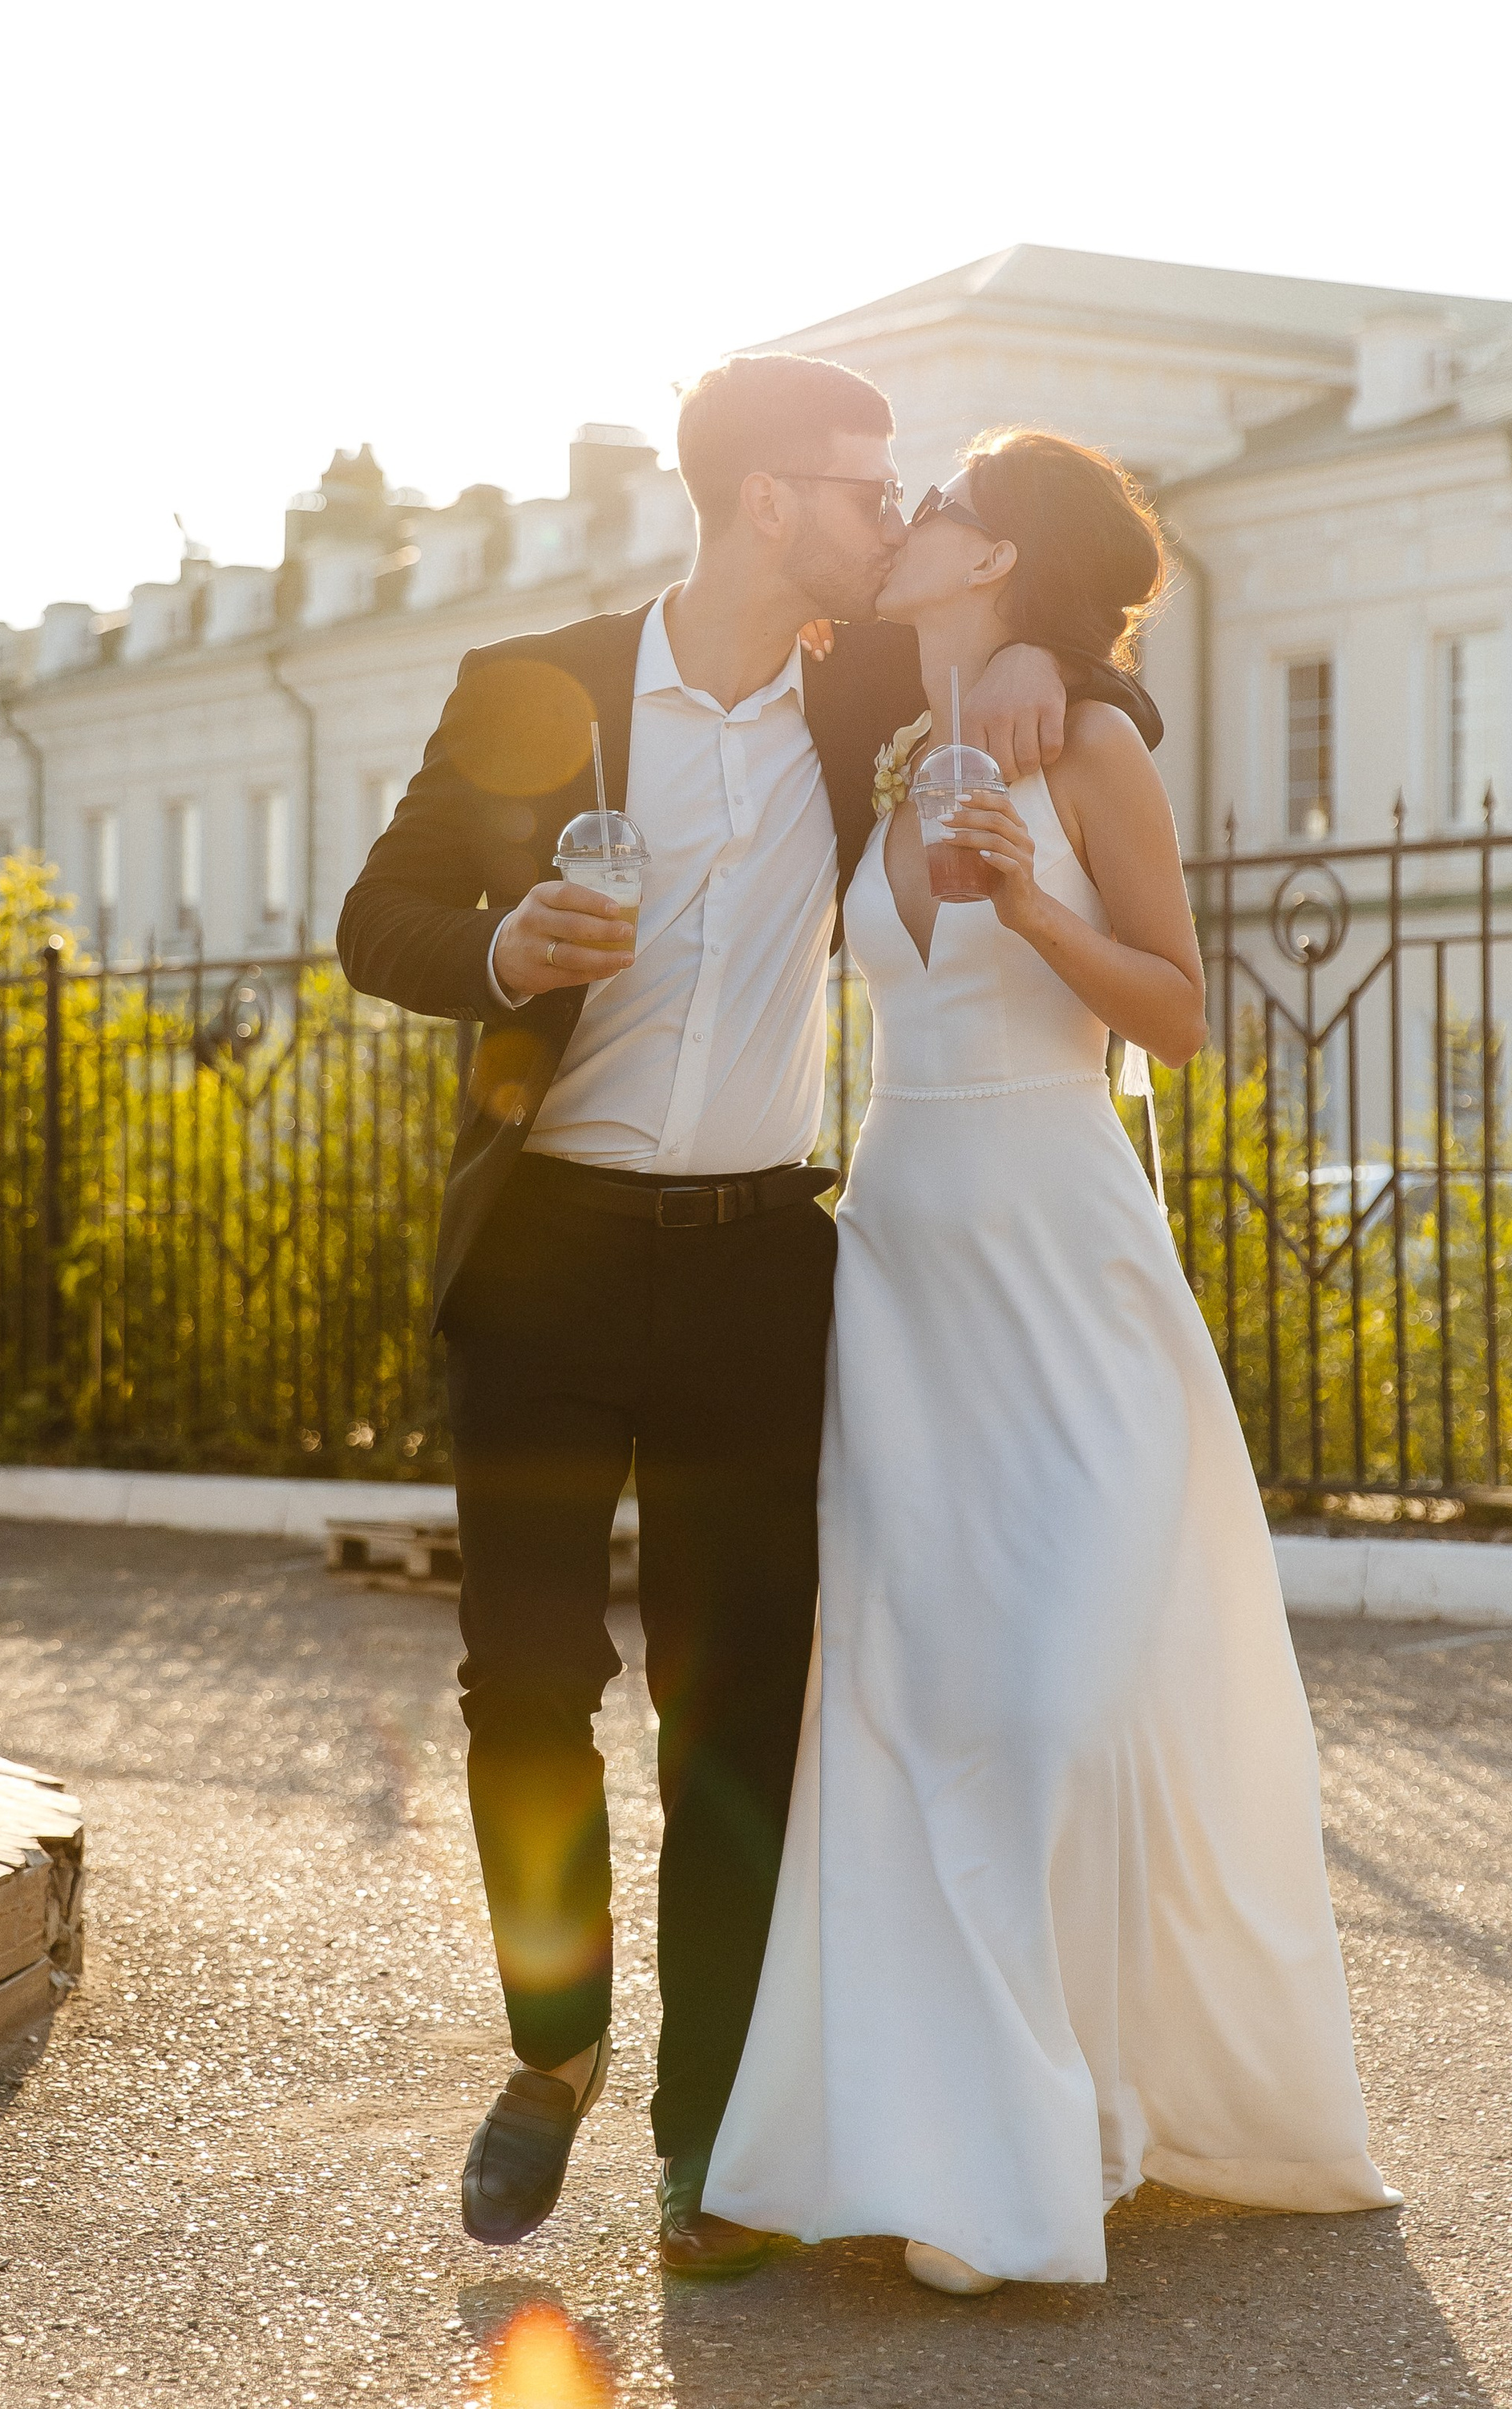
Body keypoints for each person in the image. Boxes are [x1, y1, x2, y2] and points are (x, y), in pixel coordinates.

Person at [334, 358, 1163, 2276]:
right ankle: (553, 2051)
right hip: (540, 1251)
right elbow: (374, 918)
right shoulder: (527, 682)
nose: (892, 518)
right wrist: (490, 948)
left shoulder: (867, 685)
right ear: (767, 500)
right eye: (866, 489)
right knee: (525, 1684)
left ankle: (704, 2144)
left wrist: (1070, 673)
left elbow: (1057, 660)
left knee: (737, 1710)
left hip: (753, 1269)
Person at [701, 428, 1397, 2290]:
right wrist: (1009, 666)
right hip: (908, 1264)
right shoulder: (884, 735)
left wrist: (1030, 904)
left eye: (933, 498)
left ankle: (1050, 2126)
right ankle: (945, 2139)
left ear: (997, 550)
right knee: (911, 1696)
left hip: (1062, 1254)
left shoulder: (1082, 744)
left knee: (1045, 1703)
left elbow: (1177, 1012)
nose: (900, 510)